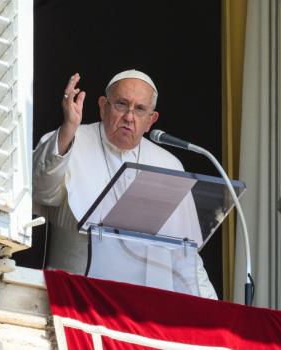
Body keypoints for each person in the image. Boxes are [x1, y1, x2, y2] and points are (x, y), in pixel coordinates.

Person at [33, 70, 217, 299]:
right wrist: (68, 127)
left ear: (151, 120)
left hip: (145, 306)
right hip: (77, 296)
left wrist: (211, 306)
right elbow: (41, 191)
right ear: (103, 106)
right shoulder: (70, 140)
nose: (129, 116)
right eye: (121, 104)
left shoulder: (169, 165)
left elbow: (184, 251)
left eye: (140, 109)